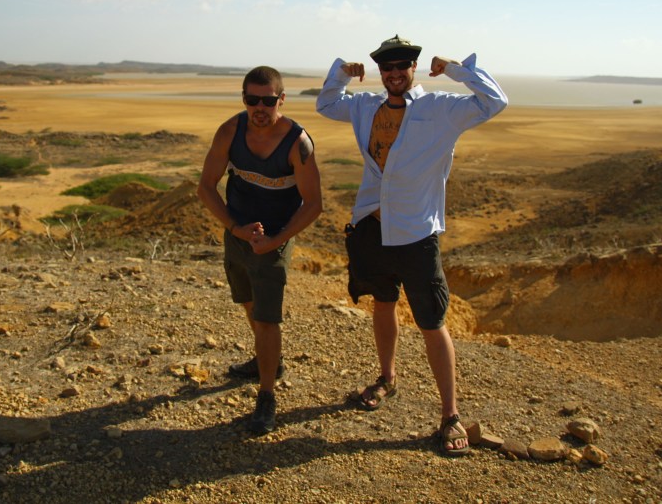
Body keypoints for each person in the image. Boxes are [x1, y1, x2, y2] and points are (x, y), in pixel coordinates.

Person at [315, 35, 507, 456]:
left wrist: (454, 68)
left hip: (417, 234)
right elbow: (326, 105)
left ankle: (450, 415)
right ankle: (387, 378)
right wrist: (341, 74)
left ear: (413, 68)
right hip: (372, 227)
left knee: (432, 322)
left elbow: (495, 101)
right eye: (387, 68)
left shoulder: (440, 108)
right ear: (381, 72)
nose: (394, 74)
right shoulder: (366, 107)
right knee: (383, 303)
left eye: (402, 66)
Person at [197, 65, 323, 435]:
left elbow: (314, 204)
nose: (260, 108)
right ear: (244, 99)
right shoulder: (229, 131)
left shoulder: (298, 142)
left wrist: (276, 240)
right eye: (252, 100)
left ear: (282, 99)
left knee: (267, 318)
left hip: (274, 240)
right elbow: (205, 186)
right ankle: (267, 360)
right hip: (237, 234)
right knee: (249, 304)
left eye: (268, 101)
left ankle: (266, 395)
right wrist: (235, 227)